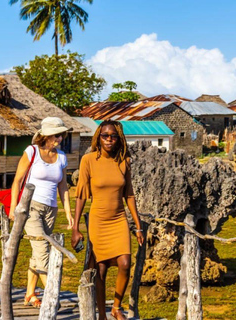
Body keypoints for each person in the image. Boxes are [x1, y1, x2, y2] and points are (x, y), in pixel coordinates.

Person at [71, 120, 144, 320]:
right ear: (99, 137)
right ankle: (102, 315)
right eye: (105, 135)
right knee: (100, 269)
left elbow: (129, 195)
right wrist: (75, 228)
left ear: (119, 138)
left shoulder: (124, 161)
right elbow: (81, 196)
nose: (109, 139)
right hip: (98, 220)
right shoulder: (88, 160)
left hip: (119, 219)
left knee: (125, 263)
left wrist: (138, 226)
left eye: (113, 136)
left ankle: (116, 307)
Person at [10, 117, 74, 308]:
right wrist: (15, 208)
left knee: (36, 253)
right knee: (42, 251)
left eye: (61, 135)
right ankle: (52, 296)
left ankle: (30, 293)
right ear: (45, 136)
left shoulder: (61, 157)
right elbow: (17, 180)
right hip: (31, 207)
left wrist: (68, 212)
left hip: (51, 209)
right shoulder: (32, 152)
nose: (60, 139)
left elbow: (63, 187)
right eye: (56, 135)